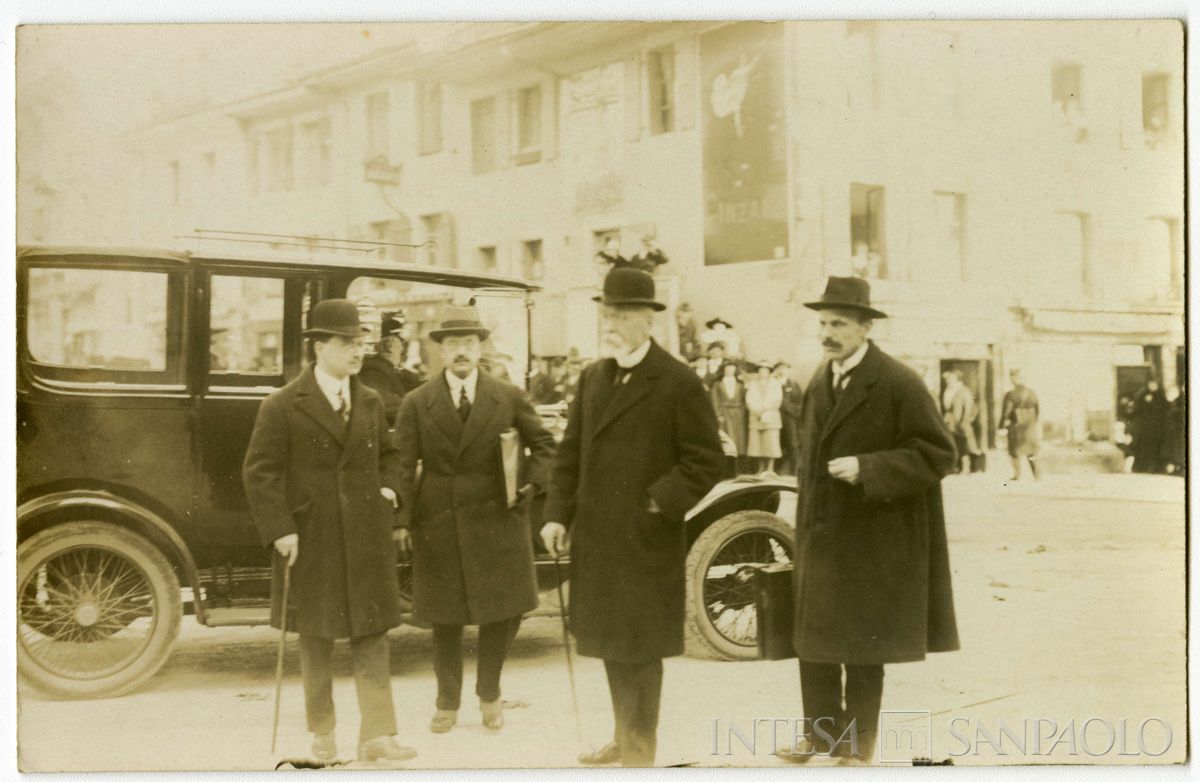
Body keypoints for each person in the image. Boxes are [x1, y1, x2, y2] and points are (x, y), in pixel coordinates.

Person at [540, 268, 724, 767]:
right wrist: (557, 514)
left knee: (639, 651)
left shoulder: (677, 381)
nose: (611, 322)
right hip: (599, 542)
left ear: (648, 318)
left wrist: (656, 503)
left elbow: (708, 461)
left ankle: (639, 751)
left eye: (622, 313)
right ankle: (623, 736)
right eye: (607, 311)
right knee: (609, 643)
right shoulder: (593, 377)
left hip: (645, 541)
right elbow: (569, 455)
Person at [781, 277, 958, 766]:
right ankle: (820, 736)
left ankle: (857, 750)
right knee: (814, 642)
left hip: (871, 539)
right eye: (822, 323)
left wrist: (869, 468)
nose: (827, 332)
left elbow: (939, 454)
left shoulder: (898, 382)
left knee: (862, 648)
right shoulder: (822, 378)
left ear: (864, 327)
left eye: (838, 323)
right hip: (821, 535)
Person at [241, 299, 416, 764]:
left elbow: (391, 456)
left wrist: (388, 490)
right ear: (320, 347)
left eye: (361, 342)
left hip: (365, 537)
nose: (358, 351)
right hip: (311, 538)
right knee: (316, 637)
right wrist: (280, 529)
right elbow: (261, 472)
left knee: (372, 632)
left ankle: (378, 735)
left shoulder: (372, 400)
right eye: (346, 343)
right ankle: (322, 734)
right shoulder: (282, 405)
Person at [394, 305, 556, 734]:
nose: (461, 352)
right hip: (439, 520)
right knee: (445, 618)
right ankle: (446, 702)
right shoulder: (417, 402)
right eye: (452, 344)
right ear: (441, 352)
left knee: (501, 613)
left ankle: (490, 694)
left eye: (468, 343)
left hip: (499, 518)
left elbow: (544, 446)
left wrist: (531, 486)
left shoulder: (507, 396)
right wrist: (401, 521)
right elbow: (401, 464)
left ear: (480, 347)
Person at [359, 315, 424, 427]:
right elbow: (385, 404)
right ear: (389, 346)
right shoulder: (373, 373)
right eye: (400, 343)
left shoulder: (387, 370)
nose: (402, 349)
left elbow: (415, 385)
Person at [1000, 369, 1041, 480]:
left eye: (1012, 378)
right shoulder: (1032, 392)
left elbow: (1006, 411)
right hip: (1029, 426)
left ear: (1013, 379)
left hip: (1015, 426)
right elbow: (1037, 409)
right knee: (1031, 452)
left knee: (1014, 452)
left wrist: (1002, 426)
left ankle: (1017, 474)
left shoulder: (1010, 394)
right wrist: (1033, 422)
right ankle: (1036, 474)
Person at [745, 361, 784, 475]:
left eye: (766, 370)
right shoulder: (753, 384)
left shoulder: (775, 384)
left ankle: (770, 468)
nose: (763, 373)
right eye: (761, 370)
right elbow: (749, 399)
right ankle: (761, 468)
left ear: (769, 372)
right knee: (758, 444)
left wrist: (765, 408)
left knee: (771, 442)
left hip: (770, 416)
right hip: (756, 417)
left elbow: (777, 399)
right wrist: (757, 410)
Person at [711, 361, 748, 474]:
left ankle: (740, 469)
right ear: (724, 369)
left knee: (740, 441)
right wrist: (718, 414)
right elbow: (715, 400)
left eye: (732, 367)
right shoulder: (718, 384)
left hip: (738, 413)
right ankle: (727, 469)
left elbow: (745, 399)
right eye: (727, 367)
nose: (729, 369)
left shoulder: (740, 384)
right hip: (725, 413)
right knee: (727, 441)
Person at [941, 370, 982, 474]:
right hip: (950, 422)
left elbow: (969, 407)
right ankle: (955, 467)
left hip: (961, 423)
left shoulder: (963, 390)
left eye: (951, 378)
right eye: (947, 379)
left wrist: (965, 420)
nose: (948, 380)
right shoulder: (949, 390)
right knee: (953, 445)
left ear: (957, 379)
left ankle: (966, 468)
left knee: (964, 445)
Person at [1129, 379, 1168, 474]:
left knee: (1156, 448)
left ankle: (1156, 468)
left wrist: (1153, 403)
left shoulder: (1160, 395)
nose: (1153, 386)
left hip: (1157, 427)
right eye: (1151, 384)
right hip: (1145, 428)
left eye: (1154, 384)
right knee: (1144, 447)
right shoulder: (1142, 395)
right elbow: (1137, 409)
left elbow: (1164, 409)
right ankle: (1142, 467)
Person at [775, 361, 804, 476]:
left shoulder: (793, 384)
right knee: (776, 443)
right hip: (774, 417)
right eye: (780, 368)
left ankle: (795, 470)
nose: (782, 370)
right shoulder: (772, 383)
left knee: (792, 443)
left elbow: (800, 403)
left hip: (789, 418)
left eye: (785, 368)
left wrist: (790, 409)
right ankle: (776, 470)